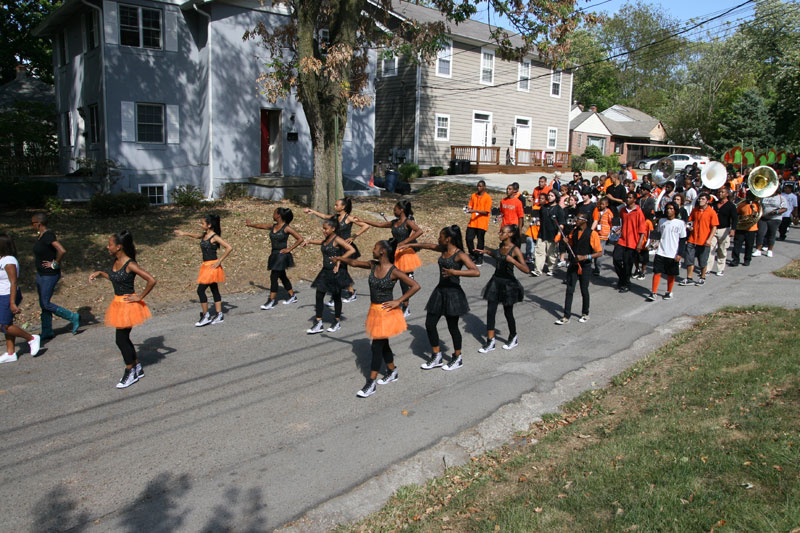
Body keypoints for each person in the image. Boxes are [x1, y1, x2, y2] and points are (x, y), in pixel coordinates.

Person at [333, 240, 420, 398]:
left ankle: (371, 383)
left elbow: (415, 286)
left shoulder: (394, 271)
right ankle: (392, 371)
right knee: (383, 344)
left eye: (375, 248)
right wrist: (340, 259)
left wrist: (399, 301)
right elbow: (354, 262)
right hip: (374, 310)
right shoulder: (373, 265)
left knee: (376, 346)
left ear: (383, 252)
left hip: (387, 312)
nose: (372, 250)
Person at [401, 226, 479, 371]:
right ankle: (436, 356)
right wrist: (410, 244)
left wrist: (454, 272)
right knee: (430, 324)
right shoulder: (442, 249)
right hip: (440, 292)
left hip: (453, 294)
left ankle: (457, 357)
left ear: (448, 239)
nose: (438, 239)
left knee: (452, 327)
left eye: (440, 236)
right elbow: (428, 246)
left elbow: (476, 272)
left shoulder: (459, 254)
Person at [88, 231, 156, 388]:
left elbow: (152, 280)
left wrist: (140, 296)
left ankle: (130, 370)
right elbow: (115, 277)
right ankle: (136, 366)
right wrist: (99, 273)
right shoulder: (116, 261)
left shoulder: (130, 264)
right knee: (124, 339)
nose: (107, 246)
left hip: (128, 306)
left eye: (110, 244)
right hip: (117, 304)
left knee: (120, 339)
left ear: (119, 247)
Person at [353, 200, 423, 317]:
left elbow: (419, 231)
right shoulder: (394, 222)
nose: (393, 211)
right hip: (394, 253)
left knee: (404, 282)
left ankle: (405, 306)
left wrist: (405, 242)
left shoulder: (408, 222)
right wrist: (363, 220)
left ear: (401, 210)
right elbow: (380, 225)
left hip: (404, 255)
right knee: (389, 278)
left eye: (395, 209)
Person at [475, 224, 529, 352]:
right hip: (495, 281)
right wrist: (487, 252)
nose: (499, 234)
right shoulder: (501, 246)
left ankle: (513, 336)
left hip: (508, 284)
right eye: (500, 232)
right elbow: (498, 255)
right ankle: (490, 341)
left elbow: (526, 269)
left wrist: (513, 261)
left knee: (508, 312)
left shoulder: (515, 250)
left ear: (510, 234)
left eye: (502, 232)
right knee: (490, 311)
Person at [304, 197, 370, 301]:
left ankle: (350, 293)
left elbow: (365, 226)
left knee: (340, 270)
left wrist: (354, 236)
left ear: (343, 207)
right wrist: (312, 211)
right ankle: (342, 293)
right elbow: (325, 216)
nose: (334, 206)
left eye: (336, 205)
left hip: (345, 248)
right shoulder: (335, 217)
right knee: (340, 270)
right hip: (336, 246)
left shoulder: (349, 218)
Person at [174, 214, 234, 326]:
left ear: (209, 225)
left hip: (212, 267)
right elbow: (197, 236)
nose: (200, 225)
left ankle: (206, 315)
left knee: (200, 290)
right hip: (205, 266)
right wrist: (184, 233)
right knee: (214, 289)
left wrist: (219, 260)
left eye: (202, 223)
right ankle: (219, 314)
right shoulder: (205, 235)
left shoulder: (214, 237)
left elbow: (229, 247)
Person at [30, 212, 80, 338]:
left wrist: (55, 264)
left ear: (39, 223)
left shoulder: (48, 235)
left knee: (46, 303)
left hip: (49, 275)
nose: (32, 225)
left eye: (33, 223)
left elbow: (62, 250)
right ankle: (47, 330)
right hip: (41, 274)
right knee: (43, 303)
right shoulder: (41, 236)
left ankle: (73, 317)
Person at [303, 218, 356, 334]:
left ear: (333, 228)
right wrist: (310, 241)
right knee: (319, 295)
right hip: (325, 271)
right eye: (323, 229)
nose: (324, 231)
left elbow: (351, 250)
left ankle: (336, 321)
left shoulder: (337, 239)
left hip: (336, 272)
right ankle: (318, 323)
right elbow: (322, 243)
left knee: (336, 296)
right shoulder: (327, 239)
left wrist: (339, 260)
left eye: (326, 229)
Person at [246, 208, 304, 310]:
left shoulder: (286, 228)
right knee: (282, 276)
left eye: (274, 213)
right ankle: (292, 296)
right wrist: (250, 225)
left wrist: (289, 249)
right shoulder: (273, 226)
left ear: (278, 216)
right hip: (274, 254)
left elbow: (300, 238)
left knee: (274, 277)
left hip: (282, 256)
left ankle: (271, 301)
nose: (272, 214)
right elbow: (261, 226)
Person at [554, 213, 603, 325]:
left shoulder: (592, 234)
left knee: (584, 289)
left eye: (578, 218)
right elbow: (571, 245)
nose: (576, 220)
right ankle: (566, 316)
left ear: (585, 220)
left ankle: (585, 313)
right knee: (569, 289)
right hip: (573, 264)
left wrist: (585, 257)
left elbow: (599, 253)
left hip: (585, 266)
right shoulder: (574, 231)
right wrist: (566, 242)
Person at [0, 234, 41, 363]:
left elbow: (14, 282)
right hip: (2, 295)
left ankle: (31, 338)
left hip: (9, 295)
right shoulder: (2, 259)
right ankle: (11, 353)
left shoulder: (9, 260)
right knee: (6, 324)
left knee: (4, 325)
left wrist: (12, 302)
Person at [647, 202, 686, 301]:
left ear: (675, 211)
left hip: (673, 253)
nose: (669, 210)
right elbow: (658, 235)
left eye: (671, 208)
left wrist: (680, 253)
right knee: (657, 272)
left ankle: (669, 291)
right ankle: (654, 292)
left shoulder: (680, 223)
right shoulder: (662, 221)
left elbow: (682, 240)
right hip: (661, 251)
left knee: (670, 273)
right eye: (667, 208)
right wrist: (651, 245)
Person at [680, 192, 718, 286]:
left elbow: (714, 227)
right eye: (700, 199)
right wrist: (690, 227)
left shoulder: (711, 212)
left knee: (702, 261)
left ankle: (702, 277)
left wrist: (709, 239)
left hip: (704, 240)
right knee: (689, 259)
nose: (700, 201)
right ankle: (689, 278)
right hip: (692, 239)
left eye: (703, 199)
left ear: (707, 201)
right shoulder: (695, 210)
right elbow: (690, 221)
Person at [613, 192, 646, 293]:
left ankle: (626, 283)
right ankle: (622, 278)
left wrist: (639, 243)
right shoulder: (623, 210)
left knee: (628, 264)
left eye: (630, 197)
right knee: (616, 259)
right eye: (626, 197)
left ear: (634, 200)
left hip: (632, 242)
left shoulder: (638, 212)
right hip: (622, 240)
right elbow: (622, 223)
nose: (627, 199)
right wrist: (619, 230)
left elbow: (642, 230)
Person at [533, 190, 565, 276]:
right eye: (549, 195)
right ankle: (538, 270)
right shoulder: (543, 207)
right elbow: (540, 218)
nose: (550, 197)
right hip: (542, 233)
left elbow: (561, 223)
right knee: (539, 252)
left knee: (552, 254)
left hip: (553, 234)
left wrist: (559, 234)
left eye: (552, 195)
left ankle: (552, 269)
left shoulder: (559, 209)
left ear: (556, 197)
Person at [709, 187, 737, 276]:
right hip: (713, 229)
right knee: (710, 249)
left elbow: (735, 218)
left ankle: (720, 269)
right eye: (719, 192)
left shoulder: (731, 205)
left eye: (722, 192)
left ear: (727, 194)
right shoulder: (714, 204)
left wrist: (733, 229)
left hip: (724, 229)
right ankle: (708, 268)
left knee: (722, 249)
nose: (720, 194)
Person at [465, 180, 492, 266]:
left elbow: (486, 212)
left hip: (482, 223)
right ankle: (472, 254)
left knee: (480, 241)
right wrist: (469, 208)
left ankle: (479, 257)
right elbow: (470, 204)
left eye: (480, 186)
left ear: (484, 187)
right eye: (478, 186)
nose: (478, 188)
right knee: (468, 238)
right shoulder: (473, 196)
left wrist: (475, 210)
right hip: (473, 222)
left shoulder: (488, 198)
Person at [729, 193, 760, 267]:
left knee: (749, 245)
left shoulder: (757, 205)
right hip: (741, 227)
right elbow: (737, 214)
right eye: (748, 196)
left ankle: (747, 259)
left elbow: (759, 215)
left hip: (751, 228)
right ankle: (735, 260)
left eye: (751, 197)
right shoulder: (741, 204)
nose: (749, 198)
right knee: (737, 244)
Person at [754, 189, 787, 258]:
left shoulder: (781, 198)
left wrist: (776, 212)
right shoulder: (764, 197)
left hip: (775, 219)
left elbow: (784, 208)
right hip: (763, 218)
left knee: (771, 234)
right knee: (760, 233)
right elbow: (760, 206)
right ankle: (758, 250)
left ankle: (770, 250)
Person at [591, 196, 613, 275]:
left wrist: (611, 231)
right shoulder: (597, 211)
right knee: (594, 250)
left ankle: (597, 269)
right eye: (600, 204)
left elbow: (612, 222)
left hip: (603, 235)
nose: (601, 206)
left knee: (599, 251)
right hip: (596, 233)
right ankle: (594, 266)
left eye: (603, 204)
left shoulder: (608, 212)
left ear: (607, 204)